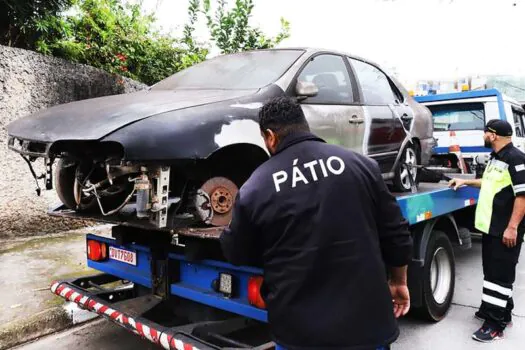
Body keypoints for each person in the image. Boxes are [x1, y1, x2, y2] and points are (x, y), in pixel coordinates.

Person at [220, 96, 413, 350]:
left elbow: (236, 253)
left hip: (300, 336)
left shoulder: (256, 188)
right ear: (304, 125)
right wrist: (399, 281)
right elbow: (396, 234)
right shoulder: (361, 166)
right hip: (367, 329)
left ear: (270, 136)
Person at [449, 119, 525, 343]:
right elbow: (489, 183)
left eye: (485, 132)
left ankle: (494, 325)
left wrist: (512, 228)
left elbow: (522, 196)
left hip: (504, 230)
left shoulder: (516, 158)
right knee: (493, 273)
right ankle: (501, 311)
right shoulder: (497, 158)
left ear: (493, 135)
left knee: (498, 277)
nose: (483, 135)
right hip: (491, 229)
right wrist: (464, 182)